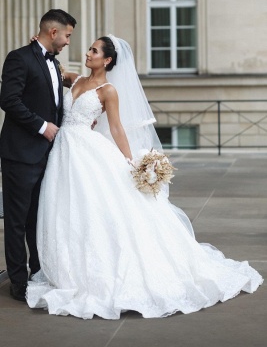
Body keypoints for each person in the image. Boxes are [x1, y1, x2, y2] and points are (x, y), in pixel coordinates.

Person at [26, 35, 263, 319]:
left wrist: (130, 162)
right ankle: (65, 269)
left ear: (108, 60)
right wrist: (37, 46)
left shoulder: (108, 90)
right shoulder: (75, 80)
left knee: (94, 209)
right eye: (89, 49)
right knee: (64, 209)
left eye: (94, 51)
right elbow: (53, 70)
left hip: (87, 152)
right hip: (63, 152)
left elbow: (116, 128)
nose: (88, 53)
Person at [0, 9, 77, 302]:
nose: (69, 41)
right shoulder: (19, 58)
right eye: (68, 35)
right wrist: (42, 126)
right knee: (17, 221)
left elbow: (54, 103)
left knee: (39, 218)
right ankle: (18, 281)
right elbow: (8, 100)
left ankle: (37, 272)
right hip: (20, 153)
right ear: (54, 32)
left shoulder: (54, 63)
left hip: (48, 155)